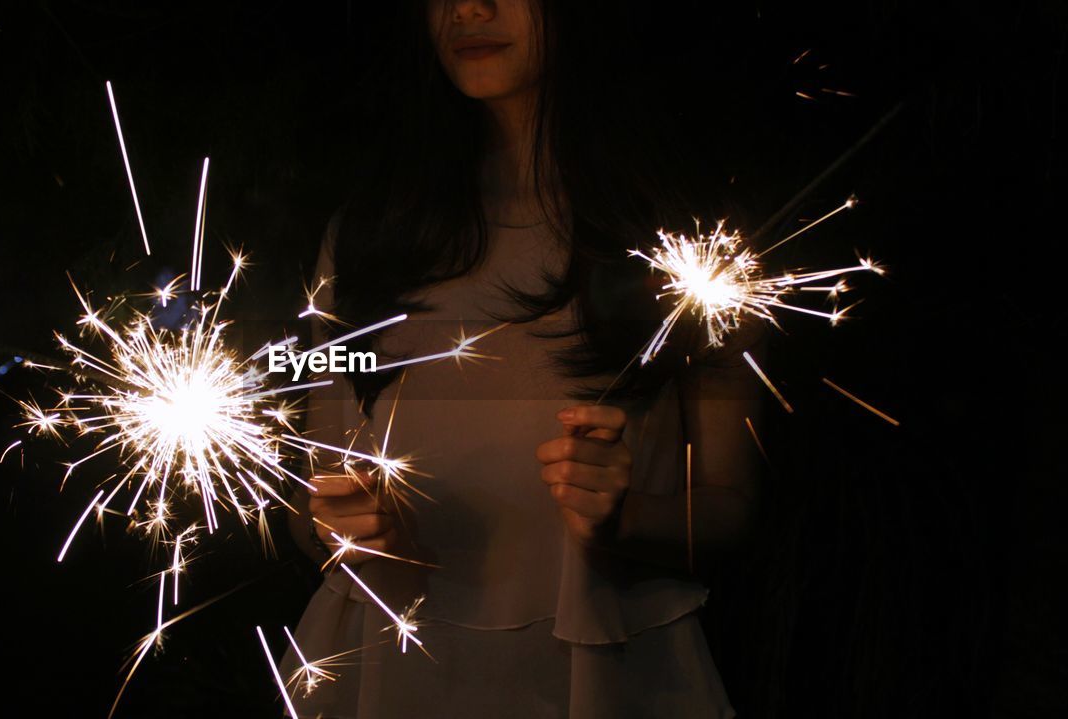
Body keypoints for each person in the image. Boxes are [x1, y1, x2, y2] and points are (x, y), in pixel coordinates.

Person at [280, 1, 764, 716]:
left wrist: (626, 516)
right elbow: (309, 495)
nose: (469, 9)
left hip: (606, 679)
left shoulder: (686, 242)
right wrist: (346, 530)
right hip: (380, 675)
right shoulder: (367, 239)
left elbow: (734, 507)